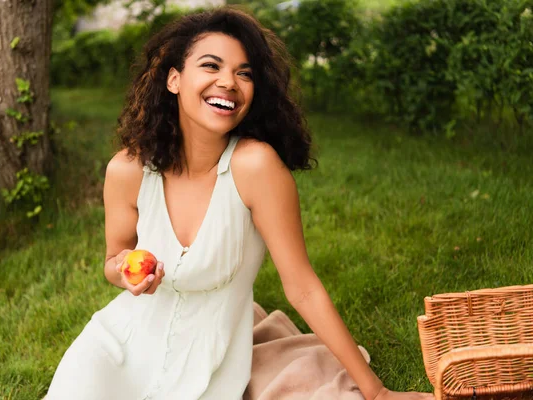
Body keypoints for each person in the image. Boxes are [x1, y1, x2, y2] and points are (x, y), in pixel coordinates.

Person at [46, 7, 433, 400]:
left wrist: (378, 393)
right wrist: (126, 275)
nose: (228, 82)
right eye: (211, 66)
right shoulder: (128, 170)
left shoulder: (254, 167)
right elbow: (114, 259)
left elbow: (303, 288)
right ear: (174, 79)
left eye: (244, 73)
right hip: (116, 348)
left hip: (208, 365)